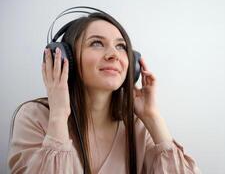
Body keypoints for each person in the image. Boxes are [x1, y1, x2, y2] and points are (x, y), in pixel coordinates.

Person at [7, 10, 201, 174]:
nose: (114, 55)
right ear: (66, 58)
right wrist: (58, 116)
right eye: (96, 43)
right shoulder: (35, 117)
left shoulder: (137, 126)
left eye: (121, 46)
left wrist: (152, 117)